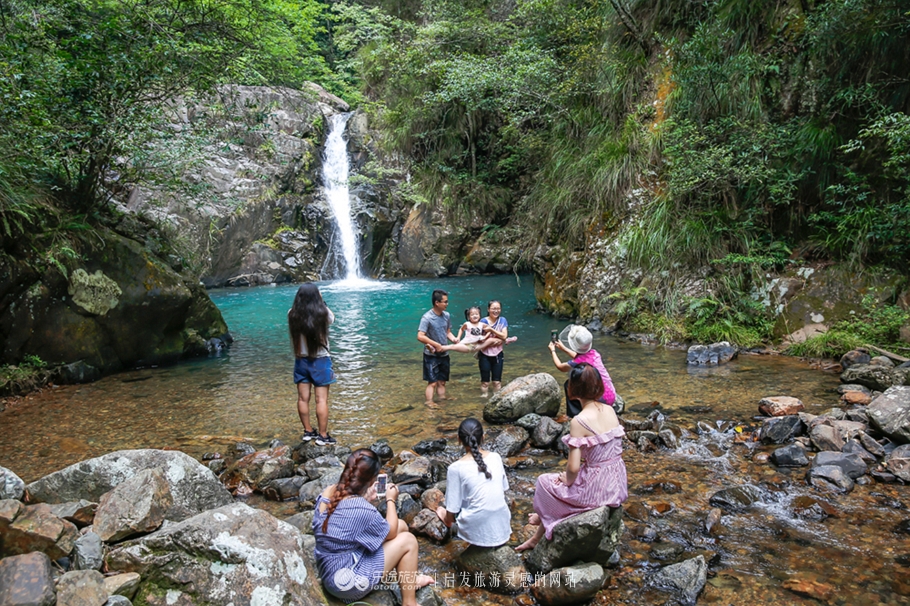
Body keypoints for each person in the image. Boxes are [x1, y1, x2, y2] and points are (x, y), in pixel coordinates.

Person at [516, 363, 627, 552]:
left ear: (573, 389)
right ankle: (538, 531)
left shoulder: (580, 421)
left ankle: (545, 516)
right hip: (616, 481)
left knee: (544, 482)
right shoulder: (609, 409)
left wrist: (566, 479)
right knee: (560, 485)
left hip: (598, 487)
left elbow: (573, 469)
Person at [313, 449, 435, 606]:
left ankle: (411, 578)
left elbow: (350, 525)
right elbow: (390, 532)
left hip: (330, 571)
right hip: (348, 583)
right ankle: (409, 602)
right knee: (409, 541)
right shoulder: (359, 507)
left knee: (402, 526)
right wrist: (390, 500)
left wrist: (365, 498)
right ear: (371, 482)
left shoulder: (329, 491)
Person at [435, 418, 511, 547]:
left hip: (476, 531)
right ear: (483, 437)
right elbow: (503, 489)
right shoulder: (496, 457)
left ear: (459, 439)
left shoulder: (455, 468)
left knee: (446, 511)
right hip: (502, 527)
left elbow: (452, 509)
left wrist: (446, 519)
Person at [288, 283, 337, 446]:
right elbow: (332, 319)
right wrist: (322, 301)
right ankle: (323, 436)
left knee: (303, 398)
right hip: (320, 361)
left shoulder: (292, 314)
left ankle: (308, 432)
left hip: (301, 360)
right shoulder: (323, 313)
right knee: (321, 400)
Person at [548, 325, 616, 418]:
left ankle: (574, 414)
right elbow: (580, 358)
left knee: (569, 384)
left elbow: (560, 367)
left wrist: (553, 351)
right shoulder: (595, 353)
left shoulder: (577, 362)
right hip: (610, 395)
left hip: (600, 399)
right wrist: (563, 349)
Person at [417, 289, 458, 409]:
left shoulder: (447, 315)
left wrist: (454, 339)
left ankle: (442, 400)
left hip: (444, 353)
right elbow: (420, 336)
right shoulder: (427, 317)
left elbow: (447, 332)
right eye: (445, 302)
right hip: (431, 355)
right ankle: (429, 402)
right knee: (432, 382)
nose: (447, 304)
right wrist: (436, 344)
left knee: (442, 381)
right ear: (437, 303)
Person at [439, 306, 517, 354]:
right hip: (468, 345)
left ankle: (506, 340)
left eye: (476, 314)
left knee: (492, 340)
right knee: (452, 346)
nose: (475, 316)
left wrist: (485, 338)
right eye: (472, 315)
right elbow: (461, 329)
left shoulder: (481, 324)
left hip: (478, 345)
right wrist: (458, 338)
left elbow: (490, 330)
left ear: (480, 316)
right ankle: (438, 348)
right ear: (469, 317)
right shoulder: (467, 324)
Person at [477, 300, 509, 396]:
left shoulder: (502, 320)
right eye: (493, 308)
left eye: (498, 308)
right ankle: (483, 399)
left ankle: (497, 399)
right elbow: (478, 340)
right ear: (488, 309)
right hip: (484, 355)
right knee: (485, 382)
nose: (496, 311)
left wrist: (491, 329)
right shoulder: (483, 321)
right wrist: (492, 341)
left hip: (498, 354)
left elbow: (504, 336)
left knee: (497, 382)